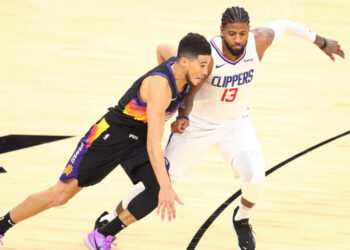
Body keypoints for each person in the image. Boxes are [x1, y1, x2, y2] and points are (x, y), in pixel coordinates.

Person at [92, 6, 345, 250]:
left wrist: (320, 41)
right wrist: (181, 112)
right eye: (232, 33)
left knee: (256, 177)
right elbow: (176, 71)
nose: (238, 39)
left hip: (236, 124)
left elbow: (285, 25)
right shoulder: (208, 57)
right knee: (160, 183)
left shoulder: (259, 41)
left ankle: (241, 218)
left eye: (242, 33)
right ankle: (112, 216)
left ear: (249, 30)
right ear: (221, 30)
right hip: (198, 126)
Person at [0, 32, 211, 249]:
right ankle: (1, 226)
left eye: (208, 65)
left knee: (156, 190)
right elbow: (153, 143)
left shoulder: (178, 64)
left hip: (136, 139)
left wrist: (182, 114)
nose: (206, 72)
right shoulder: (161, 88)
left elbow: (161, 47)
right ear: (184, 61)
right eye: (202, 65)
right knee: (60, 195)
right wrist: (166, 185)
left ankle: (102, 235)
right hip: (111, 136)